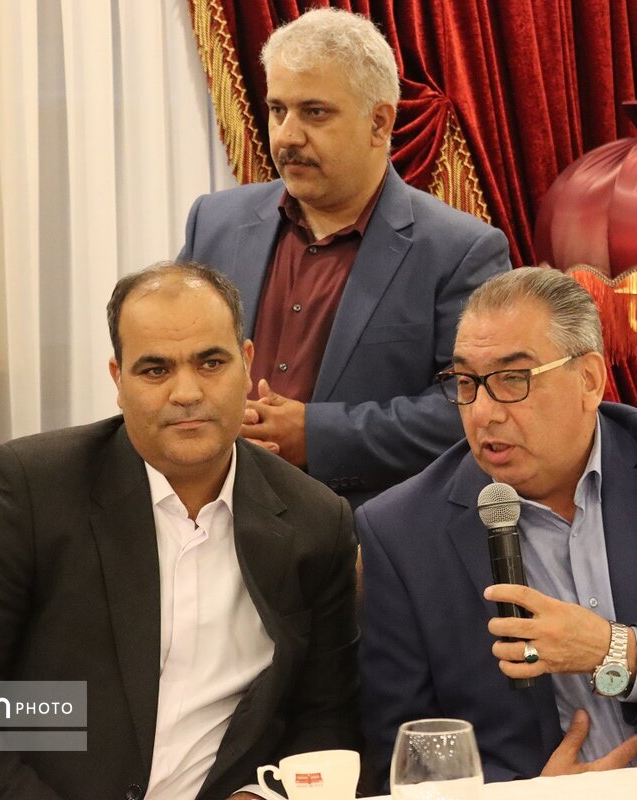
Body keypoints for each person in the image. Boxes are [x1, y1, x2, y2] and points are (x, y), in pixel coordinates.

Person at [356, 268, 637, 783]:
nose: (483, 413)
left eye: (513, 379)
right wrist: (533, 796)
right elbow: (403, 760)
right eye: (467, 383)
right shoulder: (401, 532)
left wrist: (613, 648)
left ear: (589, 380)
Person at [0, 262, 361, 800]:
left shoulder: (315, 520)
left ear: (247, 364)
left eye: (211, 363)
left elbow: (325, 718)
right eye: (156, 370)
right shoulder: (32, 491)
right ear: (119, 380)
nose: (187, 392)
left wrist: (263, 795)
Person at [179, 7, 510, 507]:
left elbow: (473, 405)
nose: (287, 136)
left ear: (379, 122)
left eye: (314, 112)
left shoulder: (461, 251)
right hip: (212, 513)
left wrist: (316, 436)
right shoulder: (214, 222)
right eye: (277, 110)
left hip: (362, 530)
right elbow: (173, 355)